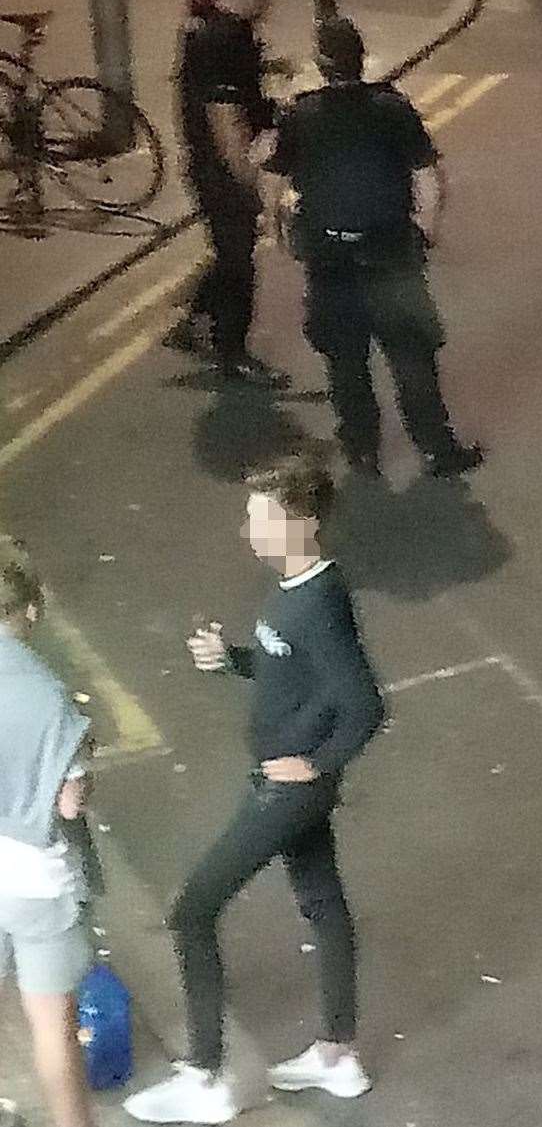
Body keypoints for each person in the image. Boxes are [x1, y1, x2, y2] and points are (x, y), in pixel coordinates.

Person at [124, 452, 386, 1125]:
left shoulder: (321, 603)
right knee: (323, 902)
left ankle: (206, 1077)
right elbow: (293, 672)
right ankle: (338, 1057)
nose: (248, 529)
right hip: (289, 784)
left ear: (298, 521)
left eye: (259, 516)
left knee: (191, 911)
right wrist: (231, 660)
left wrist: (318, 764)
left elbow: (363, 703)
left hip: (285, 789)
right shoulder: (295, 591)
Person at [261, 17, 484, 479]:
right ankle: (438, 450)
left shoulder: (300, 115)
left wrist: (278, 231)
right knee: (412, 358)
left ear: (321, 65)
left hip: (330, 259)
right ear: (361, 60)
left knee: (345, 360)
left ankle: (362, 450)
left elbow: (273, 180)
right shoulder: (391, 109)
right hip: (390, 255)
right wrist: (425, 231)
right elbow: (428, 179)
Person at [0, 537, 98, 1127]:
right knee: (52, 1029)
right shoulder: (48, 696)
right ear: (31, 609)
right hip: (35, 881)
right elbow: (68, 803)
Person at [164, 0, 292, 387]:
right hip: (220, 167)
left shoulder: (216, 30)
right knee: (240, 262)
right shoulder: (226, 40)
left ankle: (193, 320)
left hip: (203, 160)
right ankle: (232, 353)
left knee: (229, 251)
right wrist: (249, 180)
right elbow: (224, 116)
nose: (272, 5)